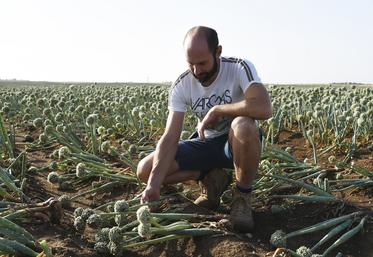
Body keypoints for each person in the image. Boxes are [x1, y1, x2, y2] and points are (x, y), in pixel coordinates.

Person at [136, 26, 272, 232]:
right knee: (145, 170)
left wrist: (219, 110)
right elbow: (170, 136)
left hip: (235, 145)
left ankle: (242, 197)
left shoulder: (239, 68)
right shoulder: (183, 83)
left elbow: (263, 107)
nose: (197, 71)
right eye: (191, 64)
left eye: (202, 63)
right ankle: (210, 177)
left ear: (218, 52)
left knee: (243, 125)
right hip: (206, 143)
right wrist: (154, 184)